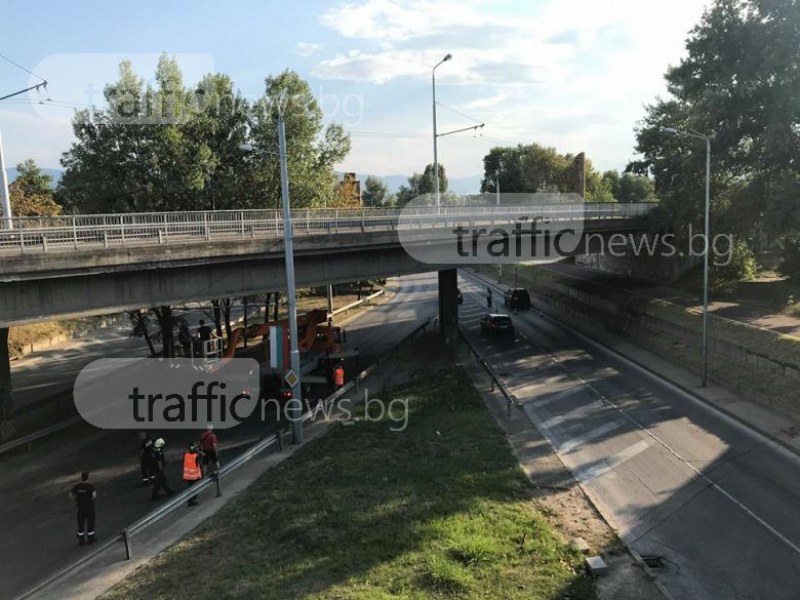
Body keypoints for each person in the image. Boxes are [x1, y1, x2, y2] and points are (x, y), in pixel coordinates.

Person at [69, 471, 97, 545]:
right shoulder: (90, 486)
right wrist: (90, 499)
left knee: (80, 523)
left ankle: (81, 539)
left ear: (81, 478)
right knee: (90, 523)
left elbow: (70, 495)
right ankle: (90, 538)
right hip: (89, 507)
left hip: (80, 508)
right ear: (88, 477)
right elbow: (94, 495)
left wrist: (76, 499)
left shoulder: (77, 486)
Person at [182, 442, 203, 506]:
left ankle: (193, 498)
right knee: (193, 488)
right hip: (193, 475)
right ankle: (190, 501)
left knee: (191, 487)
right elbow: (201, 456)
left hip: (187, 475)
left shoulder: (186, 455)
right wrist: (199, 449)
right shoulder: (195, 456)